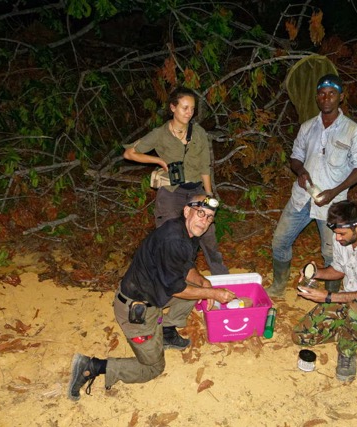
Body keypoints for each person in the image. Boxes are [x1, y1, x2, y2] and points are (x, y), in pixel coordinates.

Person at [68, 195, 237, 401]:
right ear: (186, 211)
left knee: (195, 289)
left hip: (153, 292)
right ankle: (91, 366)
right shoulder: (173, 238)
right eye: (201, 213)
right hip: (137, 310)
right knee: (153, 368)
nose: (205, 220)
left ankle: (166, 333)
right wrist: (213, 293)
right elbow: (176, 287)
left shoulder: (188, 232)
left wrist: (203, 282)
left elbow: (184, 268)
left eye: (210, 217)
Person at [267, 74, 357, 297]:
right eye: (322, 94)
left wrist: (335, 191)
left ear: (340, 97)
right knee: (280, 241)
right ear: (317, 98)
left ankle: (331, 296)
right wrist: (300, 171)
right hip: (302, 198)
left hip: (333, 204)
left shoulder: (353, 131)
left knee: (332, 253)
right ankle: (278, 286)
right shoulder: (307, 127)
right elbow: (295, 157)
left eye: (332, 94)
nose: (327, 98)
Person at [123, 86, 228, 275]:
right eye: (184, 108)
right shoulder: (160, 133)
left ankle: (221, 275)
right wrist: (158, 160)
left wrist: (209, 195)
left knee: (208, 235)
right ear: (173, 107)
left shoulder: (199, 133)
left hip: (196, 190)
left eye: (192, 109)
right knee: (169, 235)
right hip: (171, 191)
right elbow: (130, 153)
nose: (189, 113)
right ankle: (171, 277)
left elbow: (205, 166)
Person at [292, 200, 357, 382]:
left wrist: (327, 297)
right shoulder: (343, 241)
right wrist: (315, 272)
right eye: (335, 233)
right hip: (349, 302)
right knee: (300, 336)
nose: (337, 238)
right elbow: (338, 270)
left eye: (342, 233)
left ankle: (347, 352)